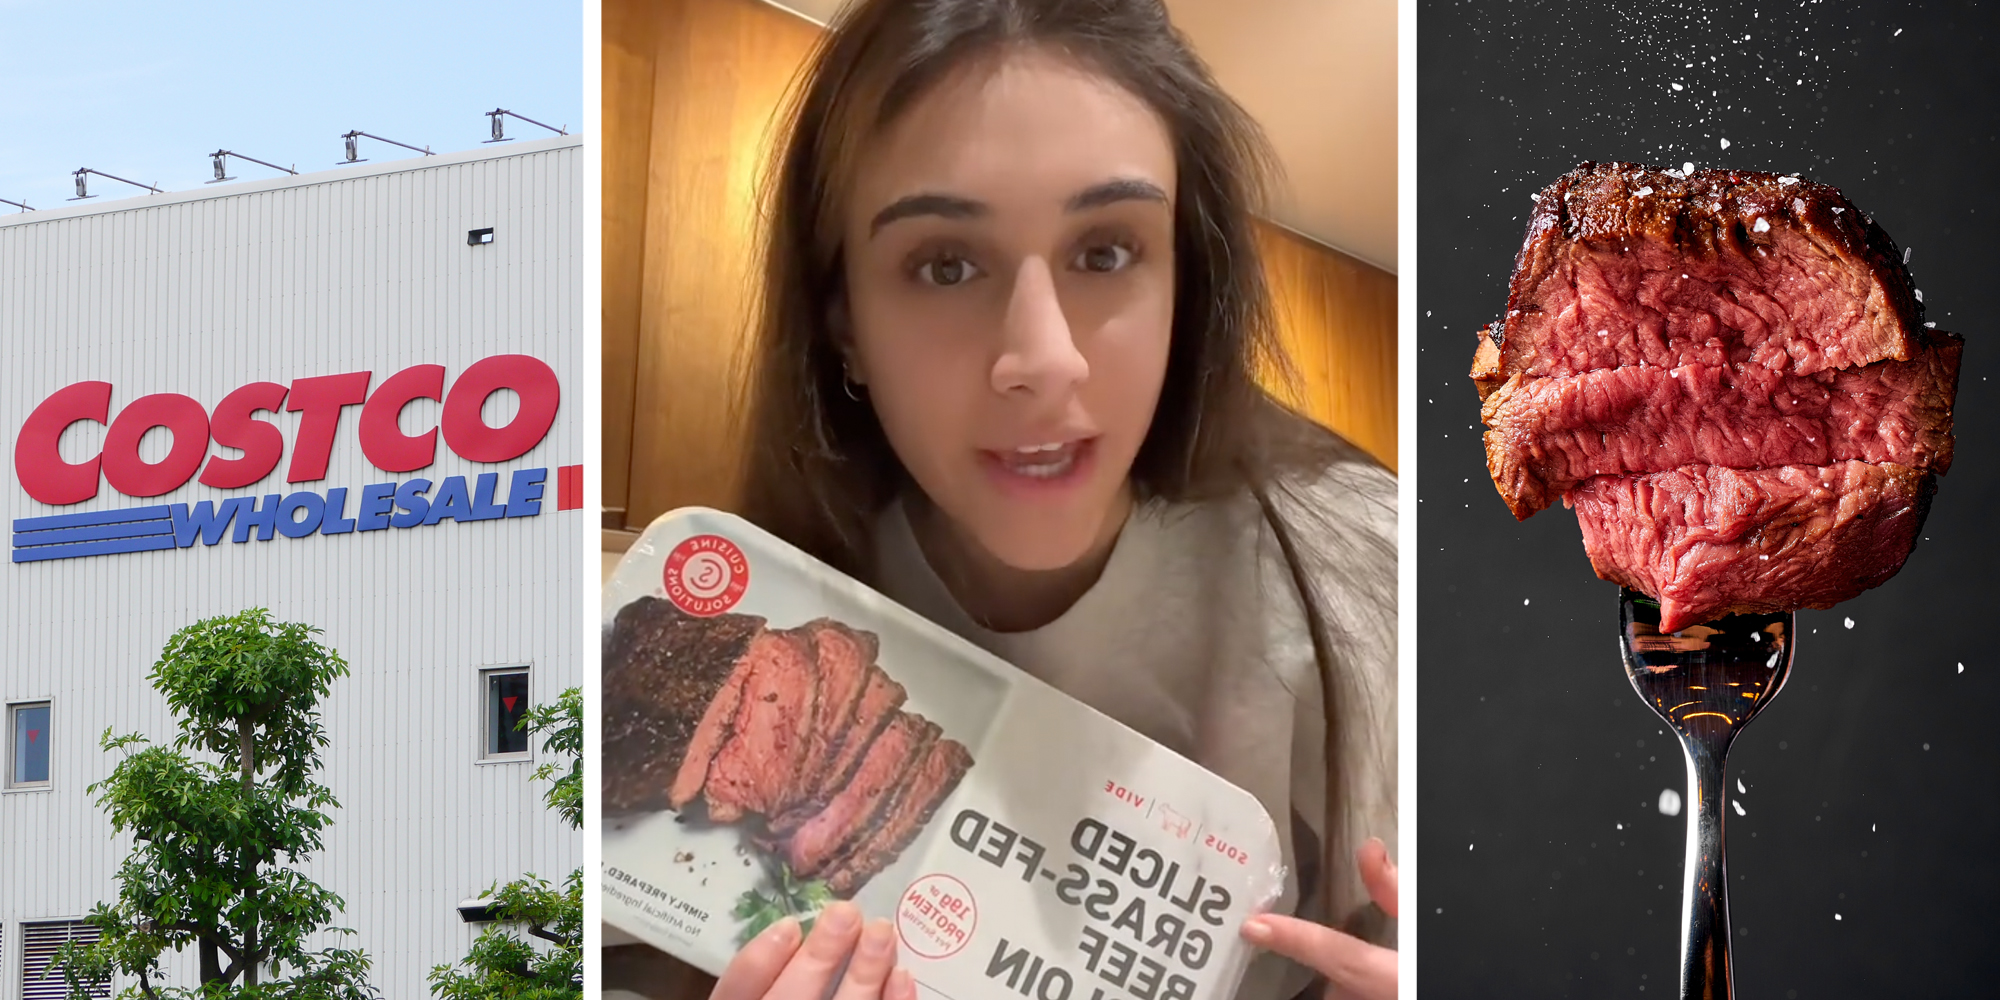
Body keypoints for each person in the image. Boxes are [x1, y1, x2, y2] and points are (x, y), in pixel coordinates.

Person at [691, 0, 1398, 997]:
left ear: (1185, 284)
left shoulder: (1360, 564)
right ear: (840, 317)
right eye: (944, 265)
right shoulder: (762, 629)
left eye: (1105, 252)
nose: (1041, 359)